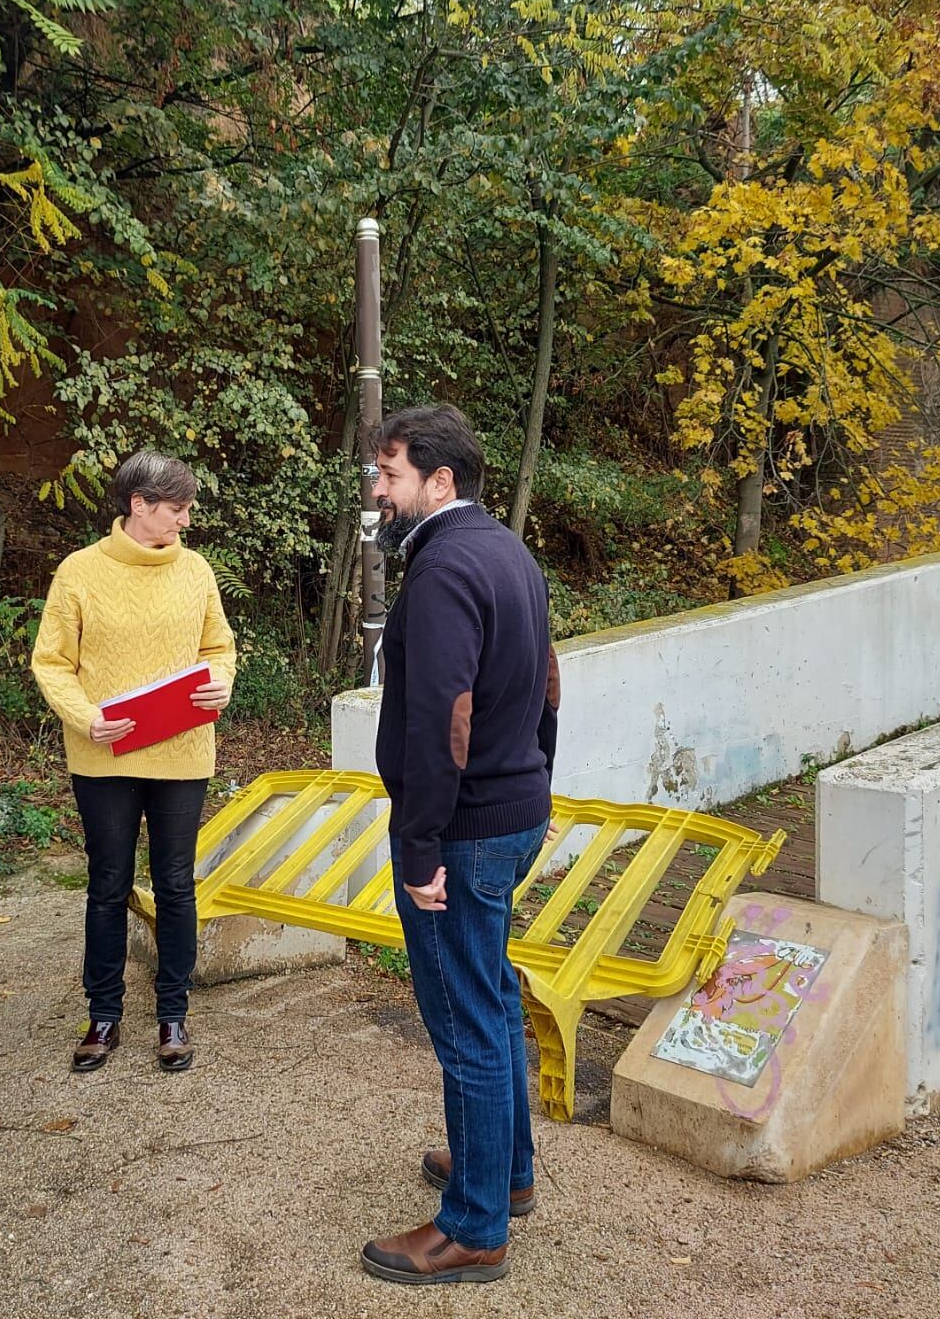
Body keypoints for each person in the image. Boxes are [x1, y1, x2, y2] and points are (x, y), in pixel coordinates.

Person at [358, 404, 560, 1287]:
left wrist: (420, 847)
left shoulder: (442, 570)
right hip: (513, 811)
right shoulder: (510, 551)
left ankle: (474, 1228)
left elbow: (445, 718)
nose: (379, 489)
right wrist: (534, 782)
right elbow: (550, 684)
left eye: (391, 473)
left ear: (439, 481)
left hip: (466, 830)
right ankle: (503, 1174)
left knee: (467, 1021)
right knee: (495, 1001)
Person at [29, 451, 236, 1075]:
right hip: (103, 753)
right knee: (108, 884)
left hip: (183, 752)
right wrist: (86, 715)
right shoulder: (79, 572)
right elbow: (51, 661)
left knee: (176, 884)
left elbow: (218, 646)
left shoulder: (196, 571)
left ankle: (174, 1014)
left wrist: (221, 682)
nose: (186, 520)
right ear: (138, 505)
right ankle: (103, 1015)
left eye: (188, 508)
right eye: (176, 509)